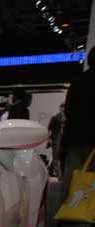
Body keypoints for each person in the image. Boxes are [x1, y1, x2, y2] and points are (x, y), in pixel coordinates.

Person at [60, 48, 95, 202]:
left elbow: (68, 110)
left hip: (75, 139)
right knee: (91, 182)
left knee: (72, 179)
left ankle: (68, 210)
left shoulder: (77, 81)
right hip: (92, 142)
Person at [47, 103, 66, 177]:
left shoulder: (67, 118)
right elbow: (49, 129)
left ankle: (52, 170)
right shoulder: (55, 118)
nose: (63, 108)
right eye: (62, 107)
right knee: (56, 156)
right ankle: (57, 173)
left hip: (63, 140)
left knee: (59, 156)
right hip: (56, 139)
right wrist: (49, 139)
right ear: (60, 108)